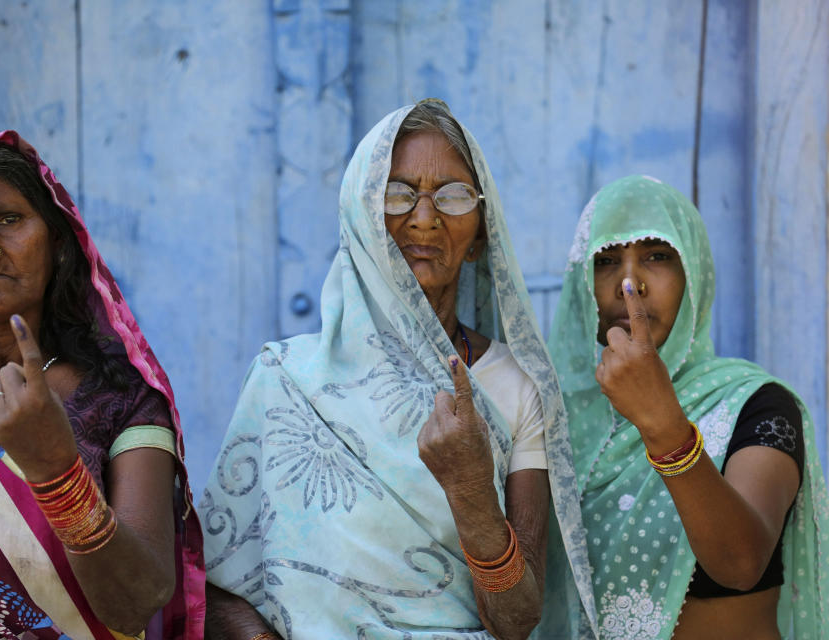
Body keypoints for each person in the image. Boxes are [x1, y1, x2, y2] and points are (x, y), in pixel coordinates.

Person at [200, 100, 595, 639]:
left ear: (481, 233)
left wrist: (471, 490)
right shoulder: (285, 378)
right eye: (397, 193)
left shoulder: (516, 390)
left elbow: (517, 619)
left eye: (453, 196)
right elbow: (217, 579)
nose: (425, 217)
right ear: (363, 219)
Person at [0, 130, 206, 639]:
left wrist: (55, 470)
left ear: (57, 240)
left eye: (7, 219)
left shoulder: (122, 399)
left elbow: (137, 601)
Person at [543, 175, 829, 639]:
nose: (629, 283)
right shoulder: (555, 422)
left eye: (657, 256)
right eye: (607, 260)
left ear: (694, 272)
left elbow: (741, 563)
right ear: (582, 287)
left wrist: (663, 424)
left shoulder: (753, 404)